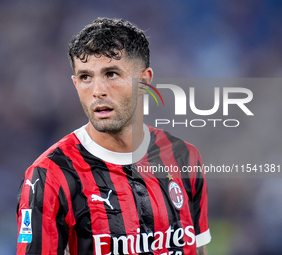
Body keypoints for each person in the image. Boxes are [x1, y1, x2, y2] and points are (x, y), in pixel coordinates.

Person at [16, 17, 211, 255]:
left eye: (111, 73)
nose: (98, 91)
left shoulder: (184, 157)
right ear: (75, 84)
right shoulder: (50, 176)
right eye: (86, 77)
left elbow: (197, 249)